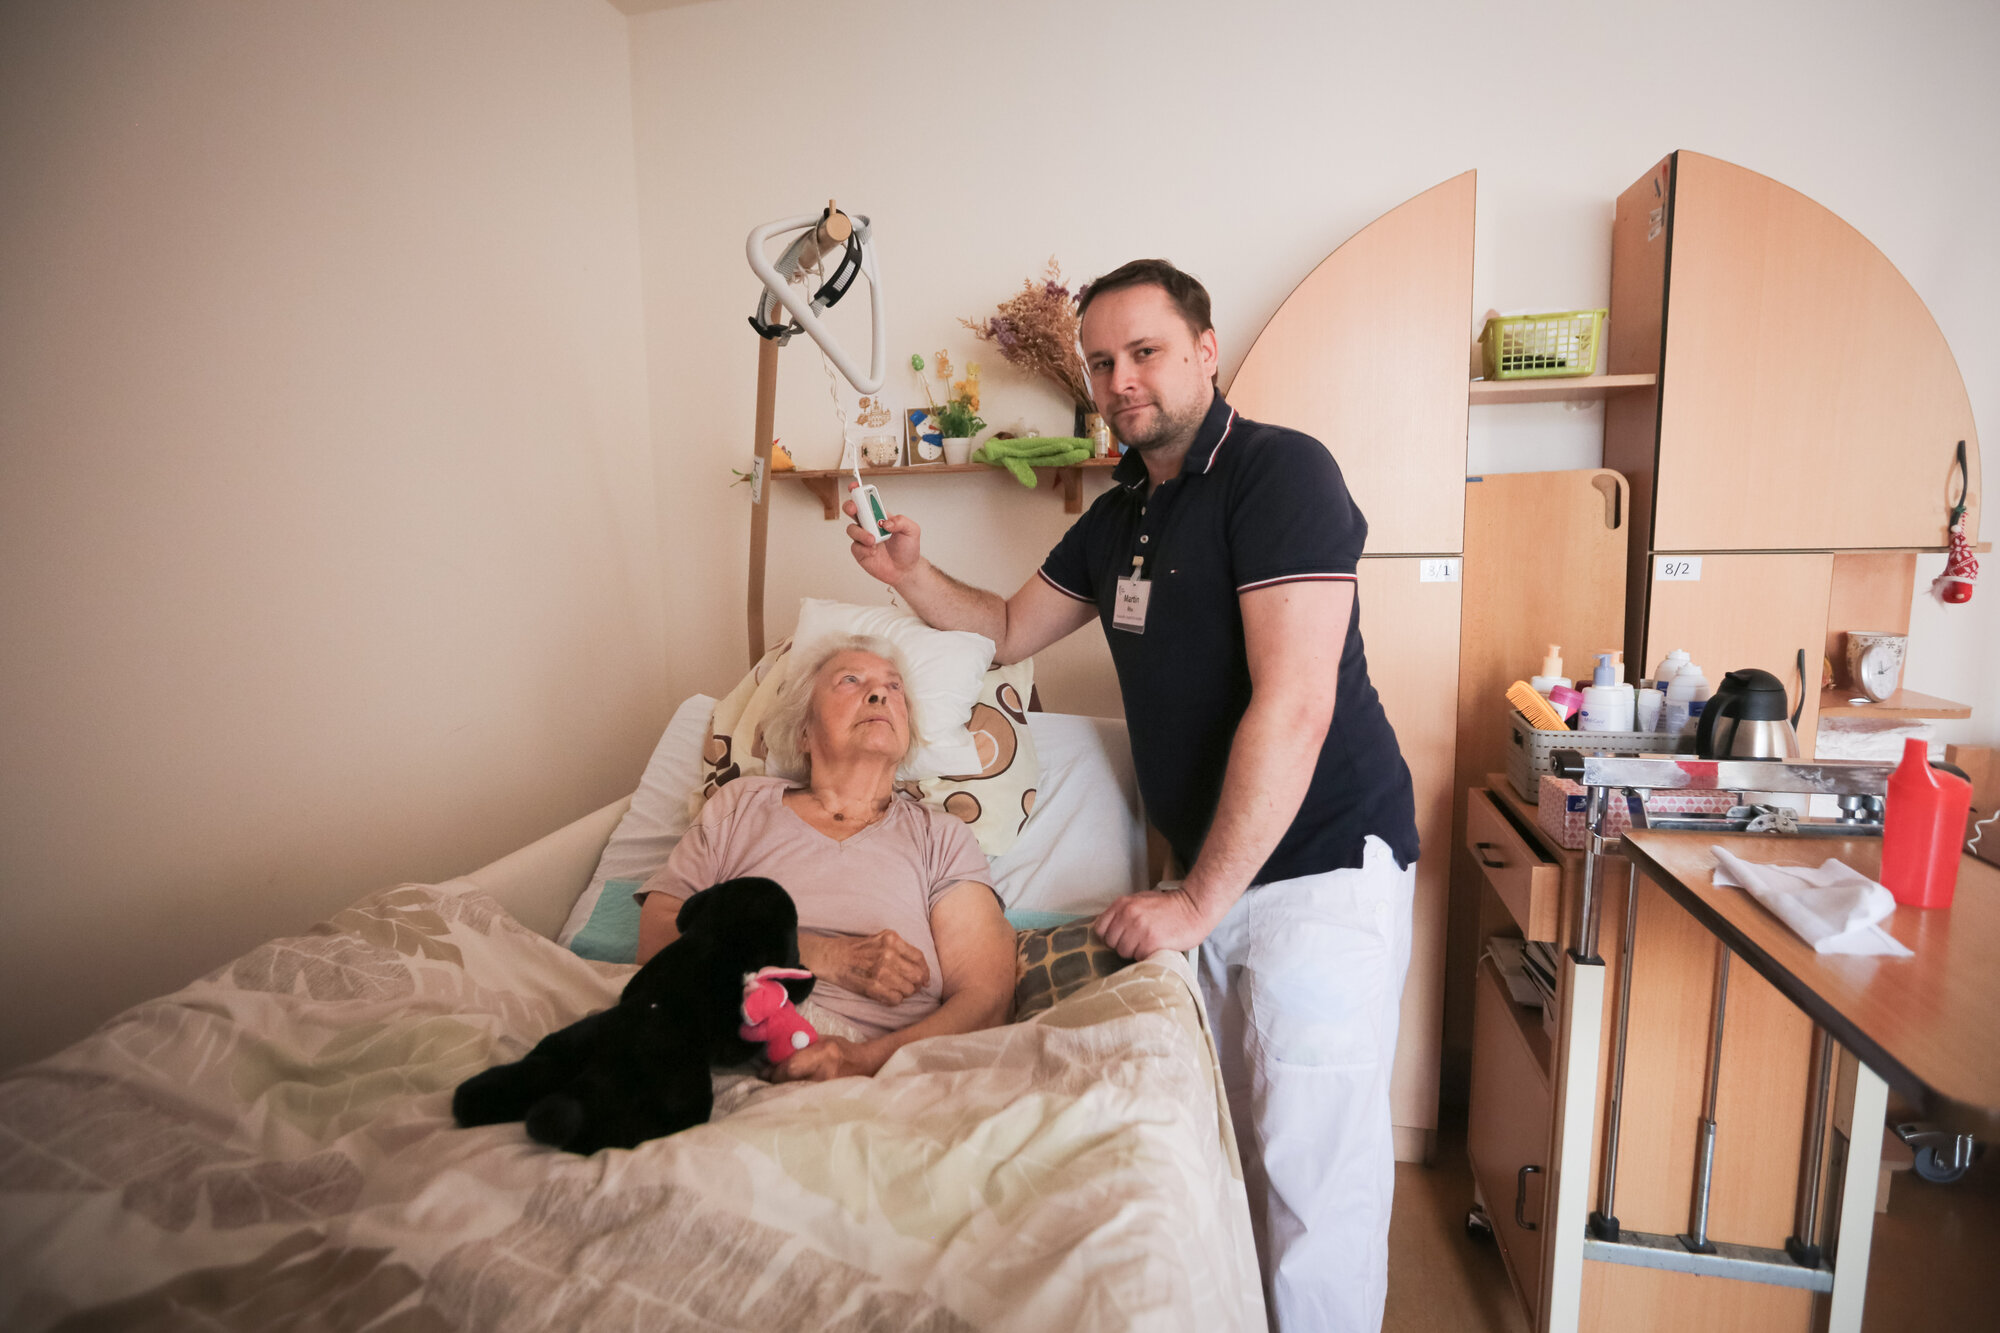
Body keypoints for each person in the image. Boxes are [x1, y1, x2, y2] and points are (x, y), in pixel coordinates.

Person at [841, 260, 1418, 1332]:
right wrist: (908, 573)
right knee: (1234, 1156)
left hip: (1320, 866)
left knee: (1314, 1184)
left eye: (1144, 352)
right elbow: (1004, 628)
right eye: (1102, 362)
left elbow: (1295, 705)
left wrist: (1193, 901)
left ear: (1205, 350)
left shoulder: (1280, 474)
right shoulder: (1120, 519)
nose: (1120, 380)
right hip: (1217, 875)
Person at [634, 635, 1016, 1084]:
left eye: (893, 687)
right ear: (804, 732)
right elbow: (657, 939)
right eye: (850, 680)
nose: (879, 694)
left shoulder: (941, 837)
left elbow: (987, 999)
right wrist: (819, 954)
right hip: (717, 1036)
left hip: (874, 1071)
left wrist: (864, 1059)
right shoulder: (740, 806)